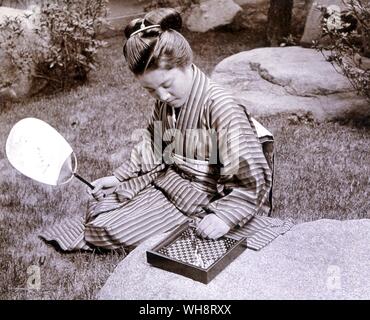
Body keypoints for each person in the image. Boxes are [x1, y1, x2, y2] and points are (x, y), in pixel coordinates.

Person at [41, 8, 293, 253]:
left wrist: (225, 217)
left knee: (104, 229)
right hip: (172, 181)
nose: (161, 95)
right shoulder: (165, 103)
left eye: (166, 84)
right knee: (100, 206)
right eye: (151, 90)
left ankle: (183, 222)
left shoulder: (222, 107)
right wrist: (119, 178)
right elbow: (153, 145)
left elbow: (251, 179)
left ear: (186, 63)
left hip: (206, 196)